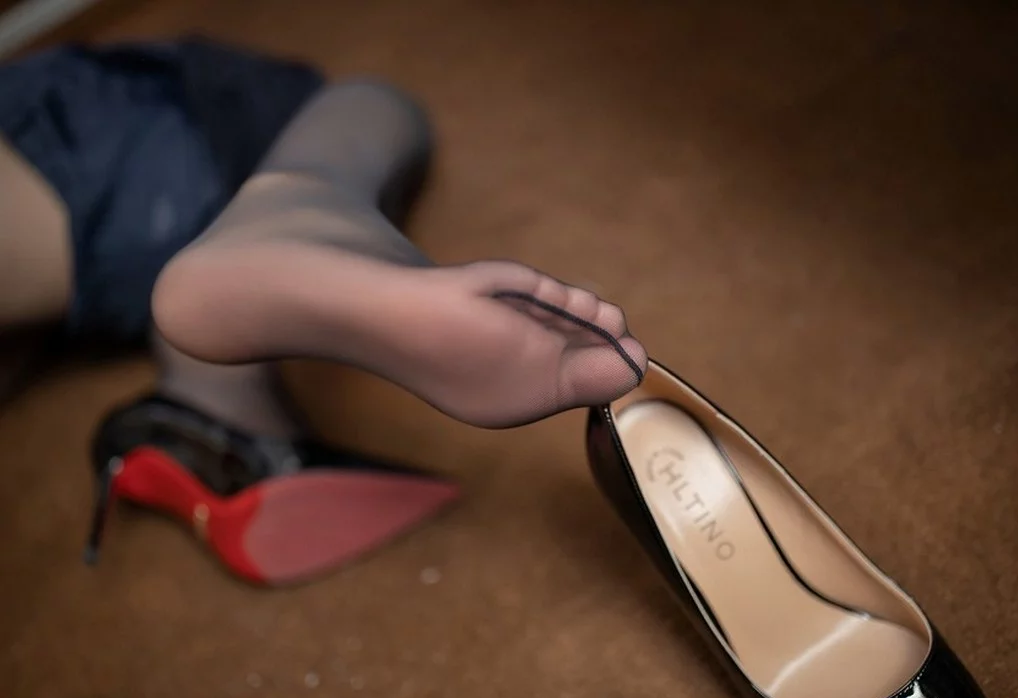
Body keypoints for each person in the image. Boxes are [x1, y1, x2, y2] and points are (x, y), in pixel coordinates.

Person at [1, 39, 647, 585]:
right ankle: (297, 208)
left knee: (342, 111)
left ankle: (227, 365)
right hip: (108, 157)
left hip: (87, 180)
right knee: (369, 107)